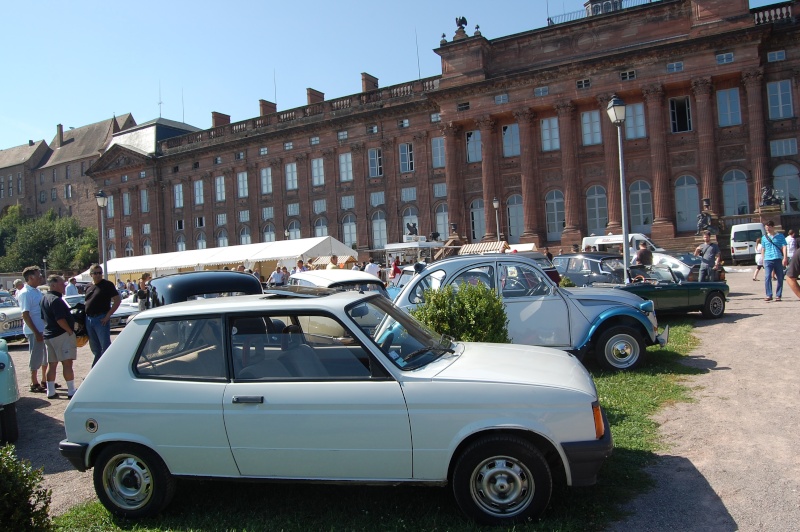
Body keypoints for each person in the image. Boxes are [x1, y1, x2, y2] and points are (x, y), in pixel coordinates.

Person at [40, 275, 77, 399]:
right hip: (60, 334)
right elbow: (60, 319)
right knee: (67, 363)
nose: (64, 286)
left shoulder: (44, 298)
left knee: (52, 364)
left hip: (49, 335)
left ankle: (50, 391)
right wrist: (69, 331)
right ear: (53, 285)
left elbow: (43, 318)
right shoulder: (56, 300)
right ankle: (71, 390)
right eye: (62, 284)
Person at [18, 266, 50, 393]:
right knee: (35, 355)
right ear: (30, 277)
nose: (40, 277)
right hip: (34, 330)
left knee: (44, 356)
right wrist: (36, 332)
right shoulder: (25, 293)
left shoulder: (36, 291)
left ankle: (44, 380)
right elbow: (25, 314)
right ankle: (34, 382)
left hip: (42, 328)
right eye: (38, 275)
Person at [84, 264, 121, 367]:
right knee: (95, 348)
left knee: (105, 347)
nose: (98, 275)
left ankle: (108, 368)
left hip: (101, 318)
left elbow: (117, 300)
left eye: (100, 273)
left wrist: (108, 315)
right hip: (89, 319)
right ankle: (97, 369)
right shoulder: (88, 286)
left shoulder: (107, 285)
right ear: (91, 274)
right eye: (96, 273)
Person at [761, 220, 788, 302]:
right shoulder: (764, 238)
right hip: (768, 259)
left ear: (773, 227)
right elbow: (763, 249)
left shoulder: (780, 236)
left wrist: (785, 257)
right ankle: (769, 294)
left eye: (769, 227)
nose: (767, 229)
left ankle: (778, 295)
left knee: (780, 277)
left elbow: (784, 247)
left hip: (777, 258)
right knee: (767, 277)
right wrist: (763, 260)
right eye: (766, 228)